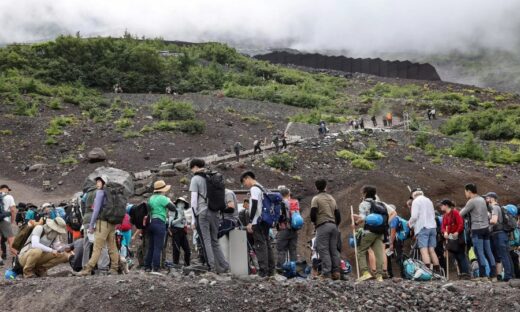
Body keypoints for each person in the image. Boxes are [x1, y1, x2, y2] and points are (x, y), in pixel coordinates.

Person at [75, 175, 120, 276]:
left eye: (99, 182)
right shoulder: (112, 193)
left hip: (102, 223)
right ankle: (114, 268)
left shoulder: (100, 192)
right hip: (111, 223)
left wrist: (91, 225)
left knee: (97, 247)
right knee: (112, 247)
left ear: (103, 182)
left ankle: (87, 269)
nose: (97, 184)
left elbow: (96, 211)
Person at [190, 159, 229, 273]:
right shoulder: (211, 177)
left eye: (192, 168)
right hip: (215, 212)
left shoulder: (196, 179)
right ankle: (224, 265)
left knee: (206, 240)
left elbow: (193, 201)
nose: (192, 171)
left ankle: (211, 267)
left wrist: (193, 219)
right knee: (214, 240)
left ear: (195, 167)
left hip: (203, 212)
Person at [241, 171, 275, 277]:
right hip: (265, 221)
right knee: (267, 245)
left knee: (260, 246)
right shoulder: (262, 187)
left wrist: (250, 221)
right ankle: (271, 270)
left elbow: (254, 204)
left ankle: (263, 272)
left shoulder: (254, 188)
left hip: (258, 221)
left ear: (247, 178)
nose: (245, 185)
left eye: (244, 182)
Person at [459, 184, 496, 281]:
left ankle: (483, 276)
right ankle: (494, 275)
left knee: (479, 252)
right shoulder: (482, 200)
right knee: (488, 252)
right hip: (486, 229)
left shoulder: (471, 201)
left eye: (465, 191)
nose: (465, 193)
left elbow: (460, 214)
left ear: (469, 191)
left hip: (477, 229)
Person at [352, 185, 385, 282]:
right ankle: (379, 276)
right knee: (379, 253)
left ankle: (365, 273)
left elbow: (363, 217)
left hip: (369, 231)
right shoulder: (379, 203)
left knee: (361, 251)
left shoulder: (364, 204)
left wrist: (356, 223)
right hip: (379, 231)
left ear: (365, 193)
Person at [310, 179, 341, 280]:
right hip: (334, 226)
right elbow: (338, 215)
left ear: (316, 187)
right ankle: (336, 272)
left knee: (323, 249)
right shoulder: (332, 198)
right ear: (325, 186)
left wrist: (315, 223)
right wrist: (335, 225)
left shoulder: (316, 199)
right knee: (334, 249)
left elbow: (313, 214)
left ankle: (326, 273)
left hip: (323, 226)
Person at [407, 188, 441, 274]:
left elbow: (414, 216)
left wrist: (410, 223)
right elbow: (433, 214)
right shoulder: (429, 200)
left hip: (423, 227)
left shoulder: (416, 201)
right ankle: (438, 271)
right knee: (432, 250)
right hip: (432, 227)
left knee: (424, 250)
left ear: (413, 195)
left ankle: (427, 271)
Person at [439, 199, 471, 279]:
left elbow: (460, 223)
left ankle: (466, 273)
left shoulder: (455, 213)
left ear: (446, 205)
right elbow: (443, 226)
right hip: (450, 238)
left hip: (458, 238)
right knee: (455, 256)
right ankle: (461, 273)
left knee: (461, 255)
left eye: (442, 205)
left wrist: (457, 231)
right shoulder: (445, 216)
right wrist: (444, 232)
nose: (441, 207)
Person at [485, 192, 513, 281]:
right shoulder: (497, 207)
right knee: (503, 255)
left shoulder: (494, 207)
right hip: (500, 234)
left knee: (503, 255)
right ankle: (507, 275)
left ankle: (508, 276)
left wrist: (485, 221)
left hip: (499, 234)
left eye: (487, 198)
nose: (486, 199)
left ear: (492, 199)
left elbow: (494, 221)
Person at [276, 187, 299, 270]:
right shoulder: (294, 202)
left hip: (283, 229)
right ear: (288, 194)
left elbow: (279, 217)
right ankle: (294, 269)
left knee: (281, 250)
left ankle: (281, 269)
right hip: (294, 229)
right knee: (293, 250)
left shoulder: (280, 203)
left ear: (280, 195)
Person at [170, 197, 191, 267]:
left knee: (187, 250)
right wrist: (180, 218)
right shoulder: (173, 211)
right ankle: (175, 265)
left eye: (183, 203)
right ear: (177, 203)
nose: (182, 204)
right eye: (180, 203)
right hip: (175, 231)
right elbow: (171, 223)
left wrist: (186, 222)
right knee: (176, 249)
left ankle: (187, 265)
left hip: (182, 232)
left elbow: (186, 223)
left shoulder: (185, 213)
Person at [0, 184, 18, 262]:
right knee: (11, 240)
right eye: (8, 190)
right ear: (6, 189)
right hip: (4, 220)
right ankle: (15, 259)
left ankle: (0, 259)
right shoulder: (9, 197)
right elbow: (13, 210)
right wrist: (12, 221)